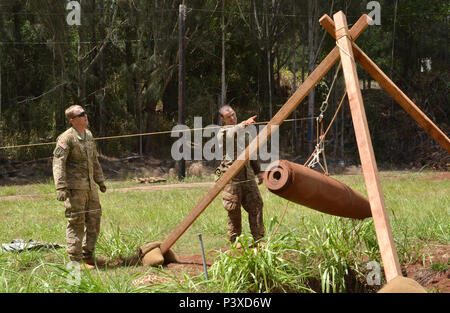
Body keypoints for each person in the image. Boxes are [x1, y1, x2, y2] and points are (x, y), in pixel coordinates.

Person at [52, 105, 106, 269]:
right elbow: (58, 163)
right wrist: (60, 187)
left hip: (90, 189)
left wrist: (100, 180)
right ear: (72, 120)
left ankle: (87, 256)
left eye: (85, 113)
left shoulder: (88, 135)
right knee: (76, 223)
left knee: (94, 221)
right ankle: (75, 262)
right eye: (81, 114)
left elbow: (94, 160)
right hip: (75, 190)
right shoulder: (66, 138)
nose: (85, 116)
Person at [216, 105, 265, 246]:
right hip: (231, 178)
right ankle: (235, 242)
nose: (232, 118)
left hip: (248, 176)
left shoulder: (244, 132)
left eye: (233, 114)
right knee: (233, 209)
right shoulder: (222, 133)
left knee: (256, 205)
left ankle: (259, 239)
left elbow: (252, 152)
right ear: (222, 119)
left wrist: (258, 171)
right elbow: (231, 135)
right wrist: (243, 124)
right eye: (228, 116)